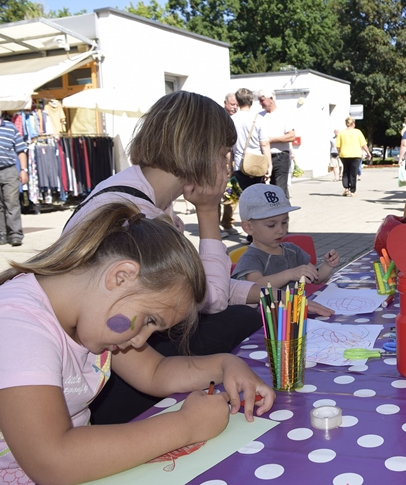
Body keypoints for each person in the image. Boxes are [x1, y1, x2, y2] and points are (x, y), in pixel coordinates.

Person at [0, 201, 275, 484]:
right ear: (121, 277)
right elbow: (51, 461)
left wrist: (225, 365)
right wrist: (187, 425)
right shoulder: (18, 324)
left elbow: (155, 373)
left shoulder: (97, 317)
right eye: (149, 320)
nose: (141, 340)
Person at [63, 91, 268, 424]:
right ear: (204, 153)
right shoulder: (135, 214)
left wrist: (267, 293)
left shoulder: (140, 193)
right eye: (224, 154)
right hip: (104, 376)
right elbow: (209, 298)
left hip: (121, 359)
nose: (227, 166)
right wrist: (207, 211)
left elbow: (186, 284)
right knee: (241, 321)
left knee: (251, 314)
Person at [232, 184, 340, 288]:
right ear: (248, 227)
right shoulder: (251, 258)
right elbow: (255, 286)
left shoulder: (292, 250)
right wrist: (289, 274)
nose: (280, 230)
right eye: (271, 225)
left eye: (284, 222)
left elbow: (316, 278)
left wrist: (327, 265)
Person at [257, 89, 295, 199]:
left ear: (271, 99)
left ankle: (282, 214)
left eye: (262, 100)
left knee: (280, 189)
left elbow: (291, 136)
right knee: (266, 191)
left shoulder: (283, 115)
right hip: (263, 158)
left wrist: (271, 140)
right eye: (259, 100)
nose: (260, 103)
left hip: (280, 156)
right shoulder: (259, 116)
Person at [232, 88, 272, 191]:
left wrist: (229, 165)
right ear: (252, 101)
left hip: (239, 164)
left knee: (245, 195)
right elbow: (265, 144)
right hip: (257, 163)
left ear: (237, 101)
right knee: (258, 195)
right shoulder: (258, 118)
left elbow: (228, 147)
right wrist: (269, 165)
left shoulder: (231, 119)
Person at [0, 116, 28, 246]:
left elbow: (21, 150)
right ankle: (2, 235)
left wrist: (23, 170)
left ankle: (16, 234)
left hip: (9, 170)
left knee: (12, 202)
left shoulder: (10, 127)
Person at [221, 92, 240, 237]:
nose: (235, 107)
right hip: (217, 161)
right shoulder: (219, 118)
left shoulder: (237, 120)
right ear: (225, 103)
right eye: (232, 104)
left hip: (231, 162)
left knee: (231, 195)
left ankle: (227, 222)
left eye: (237, 105)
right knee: (215, 195)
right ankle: (214, 226)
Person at [336, 115, 370, 197]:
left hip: (344, 155)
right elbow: (363, 144)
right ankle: (353, 191)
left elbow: (338, 146)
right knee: (353, 173)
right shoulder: (358, 132)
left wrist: (340, 153)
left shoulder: (341, 133)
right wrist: (368, 153)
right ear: (353, 124)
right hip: (355, 155)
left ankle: (346, 188)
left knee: (346, 171)